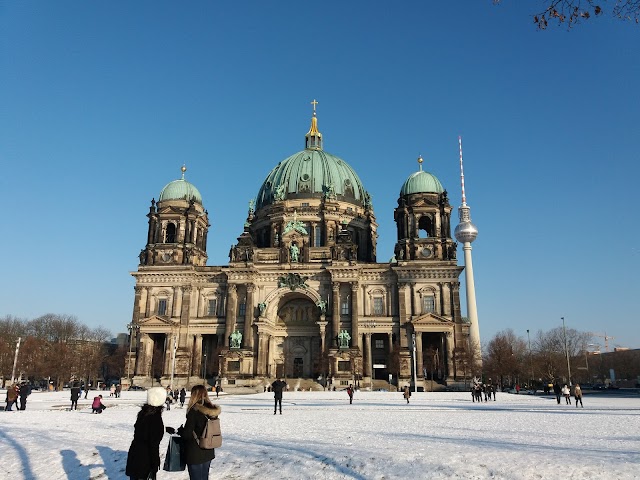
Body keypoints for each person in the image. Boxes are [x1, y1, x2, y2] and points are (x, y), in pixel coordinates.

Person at [126, 387, 173, 480]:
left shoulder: (144, 413)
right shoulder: (155, 417)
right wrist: (155, 463)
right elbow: (153, 443)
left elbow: (145, 431)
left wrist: (164, 428)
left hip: (136, 454)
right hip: (145, 458)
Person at [179, 385, 221, 480]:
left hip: (195, 452)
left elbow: (187, 434)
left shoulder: (194, 411)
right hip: (208, 449)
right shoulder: (212, 410)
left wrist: (180, 431)